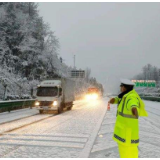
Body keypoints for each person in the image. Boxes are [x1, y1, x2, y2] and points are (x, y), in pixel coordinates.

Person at [109, 79, 148, 158]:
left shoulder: (131, 96)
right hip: (124, 129)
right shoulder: (124, 95)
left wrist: (134, 108)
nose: (120, 88)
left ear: (125, 87)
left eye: (121, 86)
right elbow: (120, 99)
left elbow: (132, 102)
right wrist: (114, 100)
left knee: (129, 150)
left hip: (128, 131)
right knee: (124, 150)